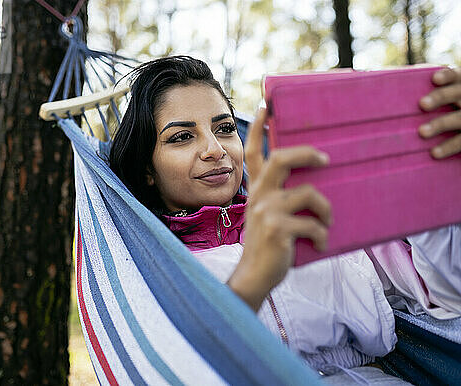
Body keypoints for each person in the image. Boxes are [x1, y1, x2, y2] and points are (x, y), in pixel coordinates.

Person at [108, 56, 461, 380]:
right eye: (182, 137)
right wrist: (252, 280)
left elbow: (447, 296)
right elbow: (172, 372)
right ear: (146, 169)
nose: (215, 150)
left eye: (225, 128)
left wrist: (439, 175)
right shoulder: (148, 269)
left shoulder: (311, 213)